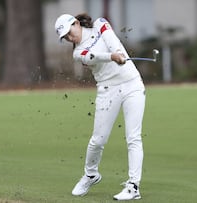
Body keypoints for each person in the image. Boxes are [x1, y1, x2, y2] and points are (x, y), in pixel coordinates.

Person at [54, 13, 146, 201]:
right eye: (66, 38)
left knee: (133, 137)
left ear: (76, 23)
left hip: (132, 84)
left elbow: (111, 39)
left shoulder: (100, 24)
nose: (70, 38)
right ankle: (91, 175)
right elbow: (93, 56)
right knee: (98, 140)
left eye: (69, 32)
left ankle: (133, 186)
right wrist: (112, 56)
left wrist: (117, 53)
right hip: (107, 89)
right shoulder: (77, 53)